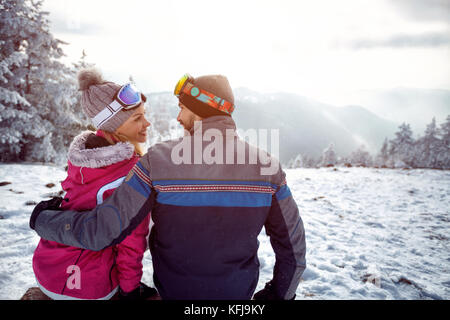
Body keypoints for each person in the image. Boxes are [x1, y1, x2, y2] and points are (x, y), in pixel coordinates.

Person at [30, 73, 307, 300]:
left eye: (182, 108)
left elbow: (104, 230)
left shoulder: (157, 161)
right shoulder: (268, 167)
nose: (177, 118)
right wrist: (277, 296)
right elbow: (293, 247)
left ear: (199, 111)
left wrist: (43, 218)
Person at [32, 68, 157, 300]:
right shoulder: (130, 173)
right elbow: (130, 243)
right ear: (114, 126)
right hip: (89, 286)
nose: (147, 123)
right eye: (138, 118)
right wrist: (130, 291)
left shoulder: (83, 157)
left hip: (47, 271)